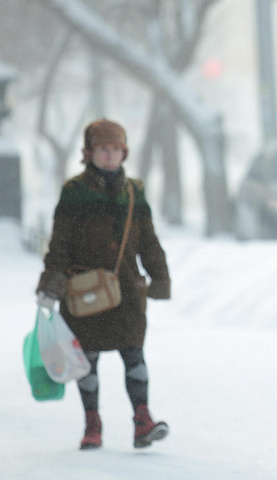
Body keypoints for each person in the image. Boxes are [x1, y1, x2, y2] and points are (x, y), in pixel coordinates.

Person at [36, 119, 171, 450]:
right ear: (88, 153)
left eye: (115, 149)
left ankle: (143, 420)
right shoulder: (74, 191)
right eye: (102, 149)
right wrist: (51, 283)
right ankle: (92, 424)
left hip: (126, 290)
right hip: (83, 290)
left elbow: (149, 241)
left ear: (123, 152)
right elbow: (60, 243)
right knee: (88, 360)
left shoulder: (134, 192)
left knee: (134, 355)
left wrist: (159, 275)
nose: (110, 156)